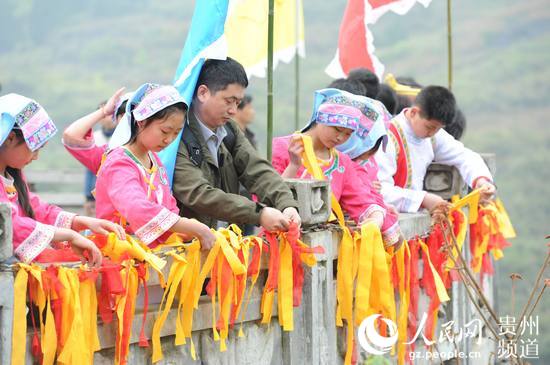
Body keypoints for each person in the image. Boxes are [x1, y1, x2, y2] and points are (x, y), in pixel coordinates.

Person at [74, 83, 216, 249]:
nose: (169, 139)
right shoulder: (119, 163)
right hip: (121, 259)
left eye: (176, 133)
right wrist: (191, 226)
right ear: (141, 121)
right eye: (165, 131)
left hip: (153, 257)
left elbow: (169, 208)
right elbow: (136, 208)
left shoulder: (154, 160)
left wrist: (188, 232)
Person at [172, 57, 300, 231]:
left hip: (227, 244)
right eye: (228, 101)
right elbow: (198, 193)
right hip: (188, 247)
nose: (233, 110)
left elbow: (256, 170)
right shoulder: (177, 135)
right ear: (203, 93)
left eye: (238, 103)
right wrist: (258, 213)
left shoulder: (229, 130)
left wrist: (286, 204)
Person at [0, 94, 125, 266]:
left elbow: (36, 208)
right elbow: (12, 224)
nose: (36, 157)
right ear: (10, 138)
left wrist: (80, 221)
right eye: (34, 148)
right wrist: (69, 235)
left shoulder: (12, 176)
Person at [272, 89, 401, 246]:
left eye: (348, 134)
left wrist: (375, 217)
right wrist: (294, 165)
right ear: (321, 119)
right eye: (337, 129)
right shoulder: (281, 147)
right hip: (282, 243)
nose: (340, 138)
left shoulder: (342, 162)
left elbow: (360, 199)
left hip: (325, 247)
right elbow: (267, 198)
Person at [375, 86, 495, 215]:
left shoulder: (433, 135)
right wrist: (423, 199)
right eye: (429, 127)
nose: (432, 133)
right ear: (414, 112)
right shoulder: (388, 136)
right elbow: (380, 189)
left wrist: (481, 181)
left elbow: (464, 156)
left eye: (438, 129)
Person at [62, 87, 129, 175]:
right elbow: (70, 136)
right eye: (122, 115)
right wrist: (104, 111)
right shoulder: (110, 154)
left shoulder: (152, 155)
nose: (129, 121)